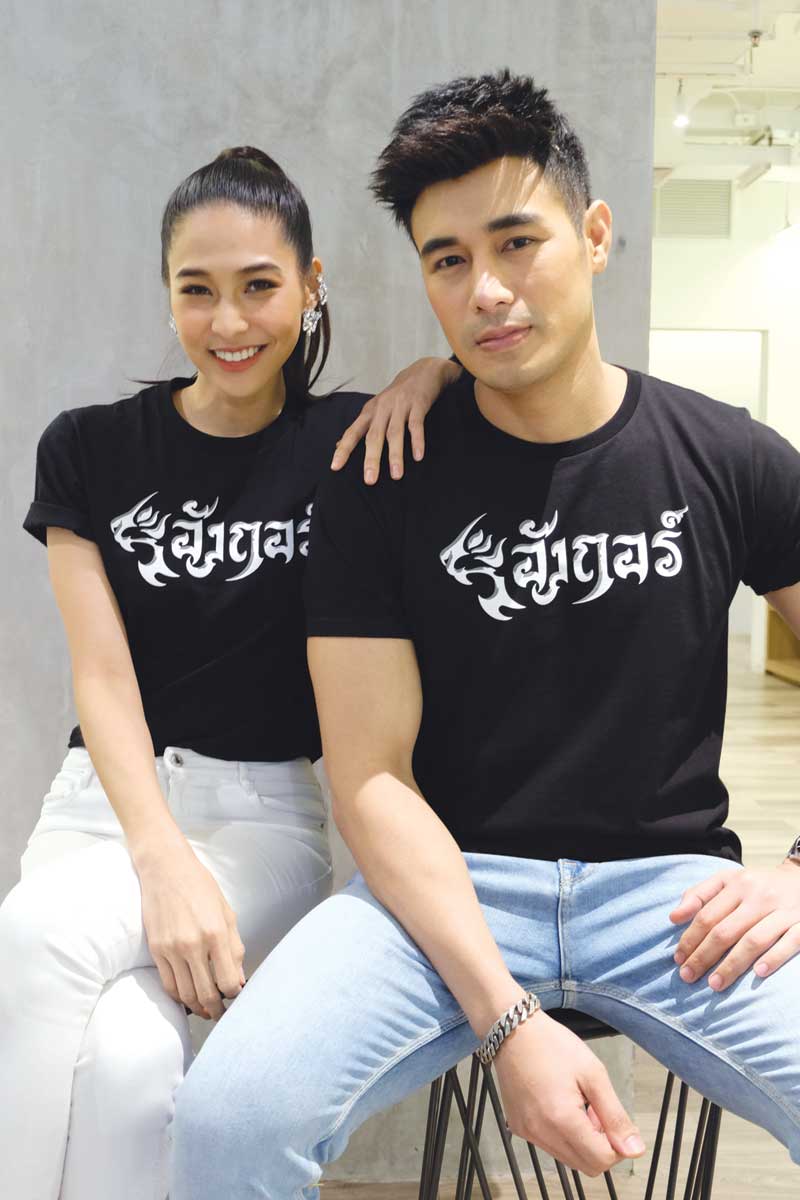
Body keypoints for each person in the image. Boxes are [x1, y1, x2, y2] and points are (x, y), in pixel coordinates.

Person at [170, 74, 800, 1198]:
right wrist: (506, 1021)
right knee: (228, 1120)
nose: (488, 291)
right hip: (445, 890)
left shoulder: (728, 457)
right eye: (448, 260)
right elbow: (369, 776)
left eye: (517, 242)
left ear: (593, 235)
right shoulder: (380, 478)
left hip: (672, 900)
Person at [0, 145, 459, 1200]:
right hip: (101, 805)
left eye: (259, 286)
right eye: (196, 290)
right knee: (129, 1065)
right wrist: (161, 861)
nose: (229, 321)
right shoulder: (90, 448)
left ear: (310, 286)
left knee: (36, 939)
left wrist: (427, 372)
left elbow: (495, 384)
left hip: (262, 823)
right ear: (167, 295)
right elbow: (102, 677)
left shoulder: (353, 440)